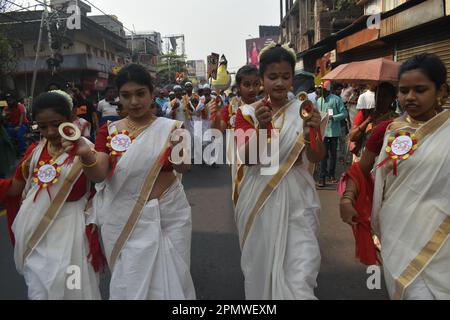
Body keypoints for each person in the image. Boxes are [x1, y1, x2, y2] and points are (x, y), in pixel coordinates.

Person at [64, 64, 196, 300]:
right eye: (126, 95)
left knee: (171, 282)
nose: (134, 101)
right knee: (130, 284)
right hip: (123, 218)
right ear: (118, 97)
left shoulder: (172, 128)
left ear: (151, 93)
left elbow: (184, 168)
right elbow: (100, 174)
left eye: (140, 93)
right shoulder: (109, 131)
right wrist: (86, 154)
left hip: (167, 218)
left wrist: (177, 149)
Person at [340, 53, 450, 299]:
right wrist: (347, 198)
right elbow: (361, 168)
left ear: (441, 90)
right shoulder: (388, 131)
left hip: (443, 243)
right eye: (404, 91)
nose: (410, 97)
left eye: (420, 90)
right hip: (398, 235)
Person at [234, 44, 327, 299]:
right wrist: (263, 127)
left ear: (292, 78)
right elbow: (249, 158)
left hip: (298, 195)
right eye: (272, 77)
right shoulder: (247, 114)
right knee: (262, 268)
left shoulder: (306, 110)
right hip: (260, 195)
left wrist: (311, 134)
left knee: (301, 271)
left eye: (286, 77)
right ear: (262, 79)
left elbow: (316, 156)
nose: (279, 83)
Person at [0, 91, 103, 300]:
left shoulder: (88, 150)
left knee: (72, 288)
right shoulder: (34, 153)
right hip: (35, 231)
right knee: (40, 289)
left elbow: (101, 180)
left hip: (71, 230)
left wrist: (83, 155)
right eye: (42, 126)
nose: (49, 132)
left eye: (56, 124)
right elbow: (15, 188)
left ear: (70, 119)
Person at [348, 82, 398, 161]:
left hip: (385, 161)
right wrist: (368, 120)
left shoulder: (396, 119)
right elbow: (352, 137)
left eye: (385, 96)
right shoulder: (364, 113)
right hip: (363, 160)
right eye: (378, 95)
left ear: (392, 99)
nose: (380, 99)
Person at [315, 81, 348, 187]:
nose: (321, 92)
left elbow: (344, 113)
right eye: (319, 90)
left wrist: (333, 117)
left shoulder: (336, 99)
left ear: (327, 90)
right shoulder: (318, 101)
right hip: (323, 132)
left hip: (334, 132)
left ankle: (331, 175)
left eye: (323, 90)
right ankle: (322, 177)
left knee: (333, 155)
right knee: (323, 155)